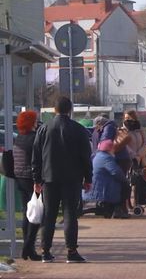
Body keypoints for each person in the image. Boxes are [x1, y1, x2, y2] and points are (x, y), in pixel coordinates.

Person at [32, 96, 92, 263]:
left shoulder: (43, 129)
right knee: (70, 215)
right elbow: (85, 156)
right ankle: (71, 251)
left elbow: (36, 156)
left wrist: (37, 179)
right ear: (70, 110)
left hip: (49, 178)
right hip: (72, 178)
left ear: (54, 110)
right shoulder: (79, 130)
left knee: (49, 215)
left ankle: (45, 251)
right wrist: (88, 177)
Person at [13, 111, 41, 261]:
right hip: (31, 179)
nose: (37, 122)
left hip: (20, 178)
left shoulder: (19, 137)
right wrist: (38, 181)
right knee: (36, 214)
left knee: (26, 213)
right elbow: (36, 160)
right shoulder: (33, 138)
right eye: (36, 120)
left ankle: (28, 248)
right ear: (32, 122)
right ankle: (28, 248)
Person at [88, 140, 126, 219]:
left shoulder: (97, 155)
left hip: (95, 185)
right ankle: (118, 210)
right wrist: (124, 179)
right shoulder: (106, 158)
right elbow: (116, 172)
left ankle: (114, 208)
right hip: (100, 189)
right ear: (109, 149)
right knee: (125, 186)